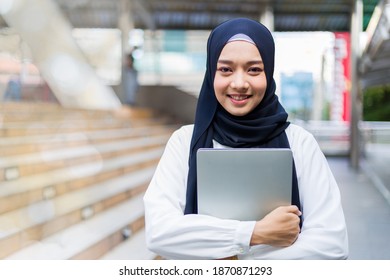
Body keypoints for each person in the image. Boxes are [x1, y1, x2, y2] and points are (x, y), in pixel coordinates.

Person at [143, 18, 348, 260]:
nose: (239, 83)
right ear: (211, 74)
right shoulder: (184, 142)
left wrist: (228, 260)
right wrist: (253, 234)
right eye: (226, 69)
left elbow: (332, 245)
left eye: (254, 69)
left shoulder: (299, 143)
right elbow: (160, 232)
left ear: (269, 72)